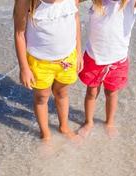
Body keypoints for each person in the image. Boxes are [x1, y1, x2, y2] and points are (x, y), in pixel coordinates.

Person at [78, 0, 136, 137]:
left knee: (111, 93)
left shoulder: (131, 3)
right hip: (94, 57)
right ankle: (89, 122)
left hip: (117, 60)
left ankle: (109, 122)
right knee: (91, 92)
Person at [13, 0, 83, 143]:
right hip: (39, 62)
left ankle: (64, 127)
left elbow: (75, 19)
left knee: (62, 93)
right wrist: (24, 68)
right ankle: (45, 134)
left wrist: (79, 52)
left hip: (67, 60)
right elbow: (19, 34)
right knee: (41, 98)